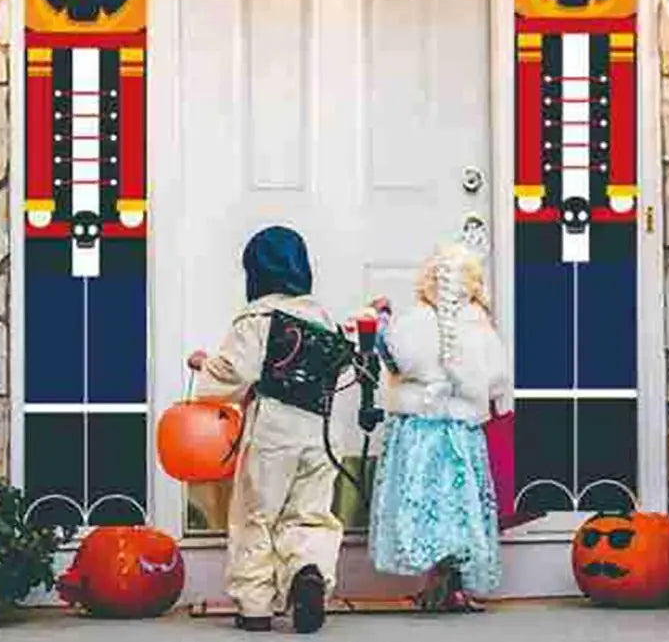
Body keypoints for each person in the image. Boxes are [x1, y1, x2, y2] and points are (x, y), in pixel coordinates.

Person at [187, 226, 350, 634]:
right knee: (310, 511)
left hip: (275, 429)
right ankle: (308, 571)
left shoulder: (257, 317)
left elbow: (237, 370)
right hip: (322, 430)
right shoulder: (323, 316)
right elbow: (340, 365)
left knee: (256, 513)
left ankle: (255, 606)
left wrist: (204, 365)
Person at [368, 242, 512, 612]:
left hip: (419, 427)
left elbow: (397, 360)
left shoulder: (413, 320)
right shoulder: (479, 326)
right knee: (459, 504)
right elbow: (496, 380)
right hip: (461, 430)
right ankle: (457, 583)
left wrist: (382, 319)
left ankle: (434, 578)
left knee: (425, 502)